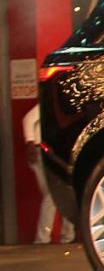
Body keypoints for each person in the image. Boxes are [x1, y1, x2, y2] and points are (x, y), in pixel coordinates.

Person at [22, 104, 75, 244]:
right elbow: (28, 119)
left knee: (63, 193)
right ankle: (44, 238)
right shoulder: (49, 105)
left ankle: (66, 236)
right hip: (43, 152)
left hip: (59, 152)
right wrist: (30, 143)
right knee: (52, 195)